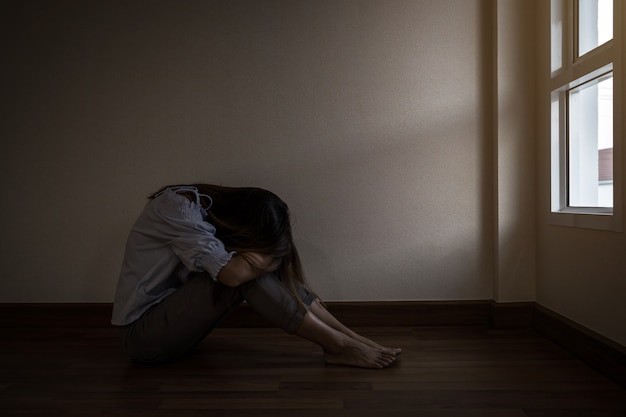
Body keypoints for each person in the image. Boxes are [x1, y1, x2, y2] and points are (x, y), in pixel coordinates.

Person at [111, 184, 401, 369]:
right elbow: (232, 276)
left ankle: (349, 338)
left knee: (256, 269)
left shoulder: (207, 211)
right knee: (246, 275)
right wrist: (271, 257)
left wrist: (355, 337)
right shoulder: (175, 209)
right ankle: (337, 347)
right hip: (143, 337)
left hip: (173, 332)